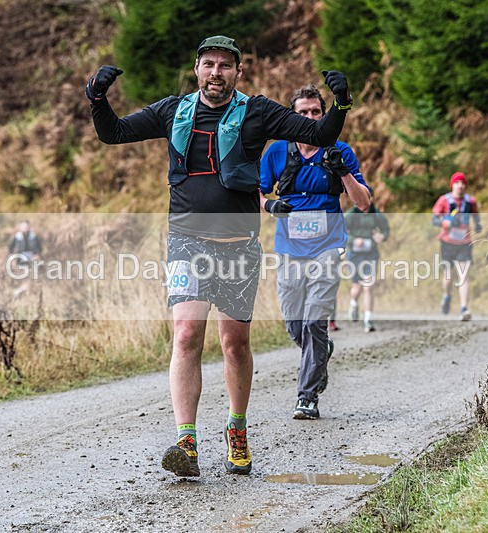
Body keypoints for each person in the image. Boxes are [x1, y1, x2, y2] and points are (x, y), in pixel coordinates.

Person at [85, 36, 352, 476]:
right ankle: (186, 442)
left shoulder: (258, 112)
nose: (216, 72)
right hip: (187, 242)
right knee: (187, 334)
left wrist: (340, 103)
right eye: (209, 64)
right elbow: (113, 133)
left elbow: (319, 134)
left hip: (238, 248)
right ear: (197, 69)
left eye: (225, 66)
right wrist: (97, 99)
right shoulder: (174, 111)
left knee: (234, 344)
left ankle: (237, 429)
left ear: (237, 72)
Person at [259, 84, 370, 420]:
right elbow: (257, 193)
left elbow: (363, 203)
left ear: (324, 115)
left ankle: (307, 396)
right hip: (289, 249)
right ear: (292, 116)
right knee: (296, 325)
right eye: (302, 112)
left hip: (329, 246)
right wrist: (271, 205)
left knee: (314, 320)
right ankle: (320, 353)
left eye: (315, 112)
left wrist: (343, 171)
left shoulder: (340, 150)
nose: (309, 118)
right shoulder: (277, 152)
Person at [431, 172, 482, 321]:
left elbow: (476, 215)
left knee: (464, 275)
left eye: (463, 183)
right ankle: (447, 296)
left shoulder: (470, 201)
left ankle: (464, 308)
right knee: (449, 276)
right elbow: (434, 218)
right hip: (447, 242)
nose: (460, 185)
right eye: (457, 183)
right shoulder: (444, 200)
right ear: (452, 185)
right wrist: (444, 223)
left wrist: (478, 225)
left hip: (465, 243)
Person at [344, 195, 390, 332]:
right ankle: (354, 303)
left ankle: (368, 319)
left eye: (367, 198)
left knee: (368, 286)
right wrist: (353, 240)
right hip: (355, 255)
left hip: (371, 254)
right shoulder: (350, 215)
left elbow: (386, 230)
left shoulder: (376, 215)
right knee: (357, 287)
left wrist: (382, 237)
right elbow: (341, 233)